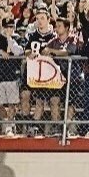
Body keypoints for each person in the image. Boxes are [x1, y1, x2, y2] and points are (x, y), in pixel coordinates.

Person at [0, 19, 25, 136]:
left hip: (12, 76)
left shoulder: (18, 38)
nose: (9, 29)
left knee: (13, 103)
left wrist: (9, 39)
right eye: (7, 27)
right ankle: (6, 122)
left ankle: (10, 125)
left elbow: (18, 52)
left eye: (11, 27)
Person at [40, 18, 78, 137]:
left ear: (67, 27)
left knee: (70, 102)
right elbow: (44, 51)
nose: (56, 28)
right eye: (56, 26)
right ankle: (56, 127)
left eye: (59, 26)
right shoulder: (53, 41)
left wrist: (52, 51)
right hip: (56, 76)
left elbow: (68, 52)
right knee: (54, 100)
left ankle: (67, 128)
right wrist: (49, 51)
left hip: (71, 75)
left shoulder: (73, 38)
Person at [22, 9, 57, 137]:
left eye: (42, 18)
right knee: (25, 95)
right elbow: (25, 50)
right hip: (32, 71)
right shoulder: (32, 35)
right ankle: (27, 124)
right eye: (37, 18)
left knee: (40, 101)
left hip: (47, 73)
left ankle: (37, 126)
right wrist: (29, 54)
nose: (40, 21)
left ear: (48, 19)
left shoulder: (54, 36)